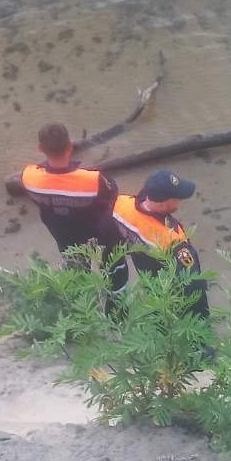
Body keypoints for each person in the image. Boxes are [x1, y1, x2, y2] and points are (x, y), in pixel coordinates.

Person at [18, 123, 121, 262]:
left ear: (40, 149)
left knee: (76, 267)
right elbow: (112, 194)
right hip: (97, 231)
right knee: (110, 261)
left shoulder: (29, 177)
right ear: (70, 146)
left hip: (62, 235)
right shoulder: (92, 180)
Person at [112, 169, 210, 317]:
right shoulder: (172, 240)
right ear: (166, 203)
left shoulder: (121, 205)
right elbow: (193, 283)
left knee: (158, 312)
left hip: (149, 279)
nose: (181, 201)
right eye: (178, 198)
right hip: (171, 288)